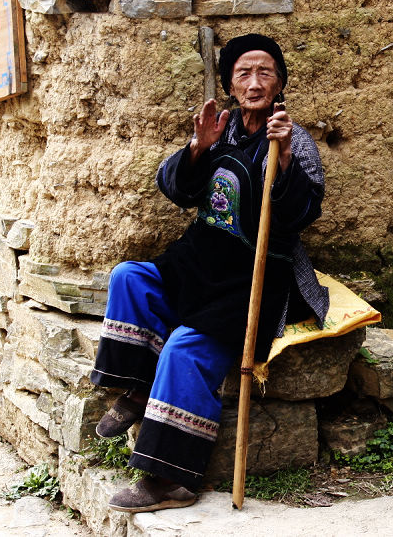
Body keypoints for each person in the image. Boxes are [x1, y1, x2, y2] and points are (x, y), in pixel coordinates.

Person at [89, 33, 329, 513]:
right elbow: (177, 190)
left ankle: (166, 480)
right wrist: (198, 149)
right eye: (244, 73)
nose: (255, 82)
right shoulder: (221, 128)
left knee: (186, 347)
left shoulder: (291, 137)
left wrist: (281, 164)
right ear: (230, 83)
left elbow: (304, 212)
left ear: (280, 81)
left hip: (254, 272)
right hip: (200, 259)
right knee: (128, 278)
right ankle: (138, 388)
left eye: (265, 72)